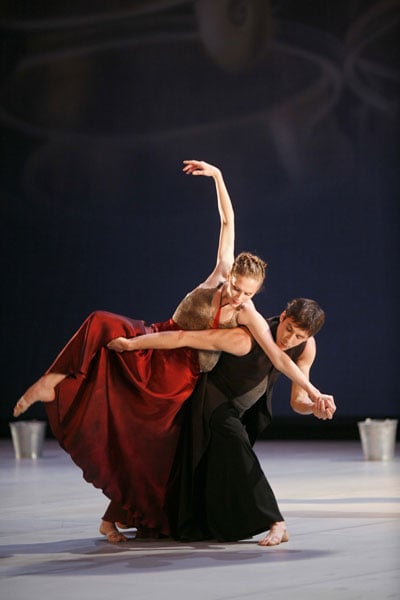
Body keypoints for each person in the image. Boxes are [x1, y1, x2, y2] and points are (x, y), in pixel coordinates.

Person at [13, 160, 333, 544]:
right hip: (158, 342)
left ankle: (112, 517)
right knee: (101, 322)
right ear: (230, 275)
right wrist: (218, 176)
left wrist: (314, 393)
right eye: (238, 288)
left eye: (249, 293)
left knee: (151, 447)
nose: (240, 296)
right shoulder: (221, 275)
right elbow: (227, 222)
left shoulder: (250, 318)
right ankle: (54, 382)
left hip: (178, 376)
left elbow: (279, 360)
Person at [113, 298, 335, 546]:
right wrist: (131, 344)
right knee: (236, 450)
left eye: (299, 337)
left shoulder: (306, 348)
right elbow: (183, 338)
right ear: (282, 316)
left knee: (207, 469)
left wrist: (313, 408)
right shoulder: (245, 337)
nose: (289, 339)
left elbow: (298, 402)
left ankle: (125, 514)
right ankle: (276, 522)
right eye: (289, 329)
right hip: (212, 402)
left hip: (242, 412)